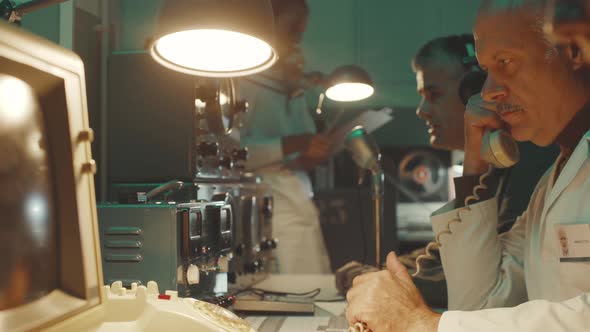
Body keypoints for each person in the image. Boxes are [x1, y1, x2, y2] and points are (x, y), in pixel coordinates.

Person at [346, 0, 590, 330]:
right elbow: (479, 304)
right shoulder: (554, 181)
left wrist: (422, 324)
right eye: (486, 71)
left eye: (505, 62)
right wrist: (475, 168)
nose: (487, 92)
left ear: (575, 50)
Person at [335, 34, 558, 308]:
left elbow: (490, 271)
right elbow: (455, 253)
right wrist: (388, 269)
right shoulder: (500, 161)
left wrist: (392, 283)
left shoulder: (530, 160)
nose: (421, 111)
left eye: (433, 94)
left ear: (473, 92)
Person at [237, 0, 331, 274]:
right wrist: (294, 144)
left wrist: (311, 152)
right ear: (267, 26)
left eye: (300, 34)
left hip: (298, 196)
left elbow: (303, 145)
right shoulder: (244, 80)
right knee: (294, 283)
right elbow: (230, 154)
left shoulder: (289, 83)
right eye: (291, 31)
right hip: (266, 202)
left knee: (313, 278)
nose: (297, 42)